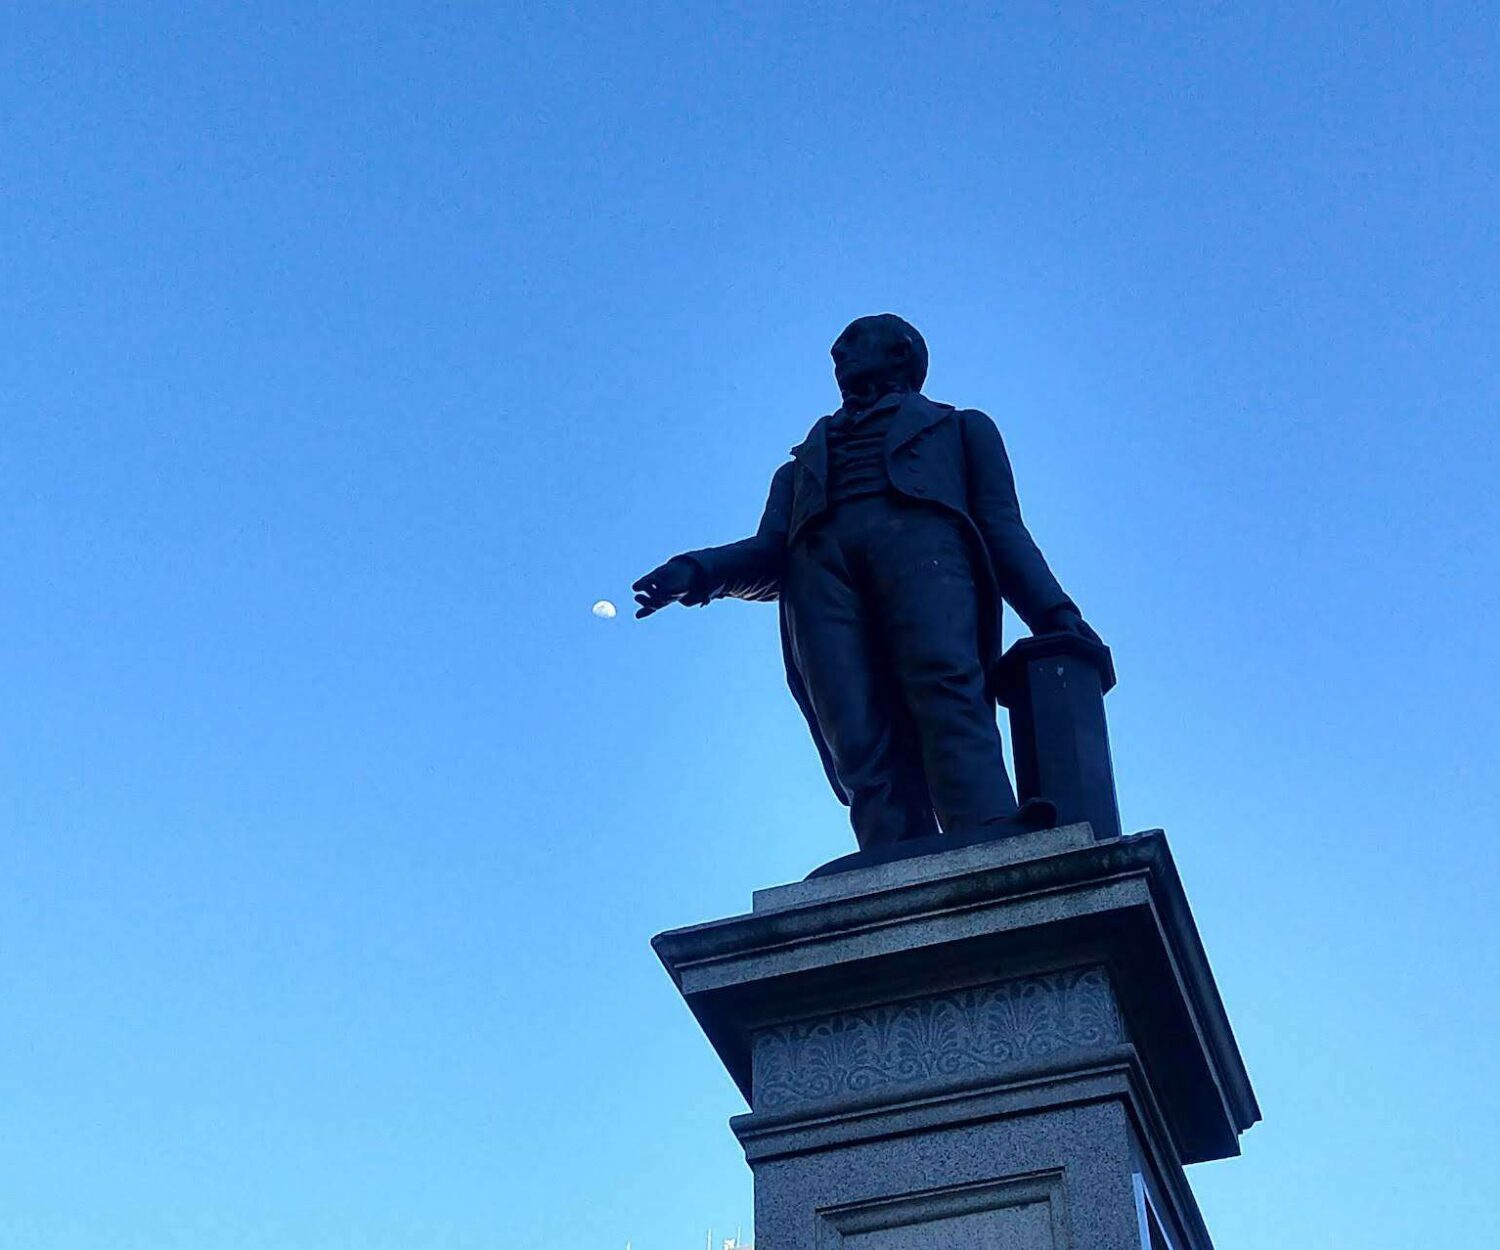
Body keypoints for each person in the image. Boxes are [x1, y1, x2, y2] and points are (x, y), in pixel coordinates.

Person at [634, 314, 1101, 851]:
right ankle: (889, 846)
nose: (840, 353)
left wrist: (1054, 611)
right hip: (819, 581)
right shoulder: (800, 466)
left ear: (902, 352)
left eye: (855, 342)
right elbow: (770, 554)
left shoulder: (963, 428)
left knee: (946, 685)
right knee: (852, 722)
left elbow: (1001, 525)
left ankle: (987, 825)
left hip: (926, 558)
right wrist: (697, 572)